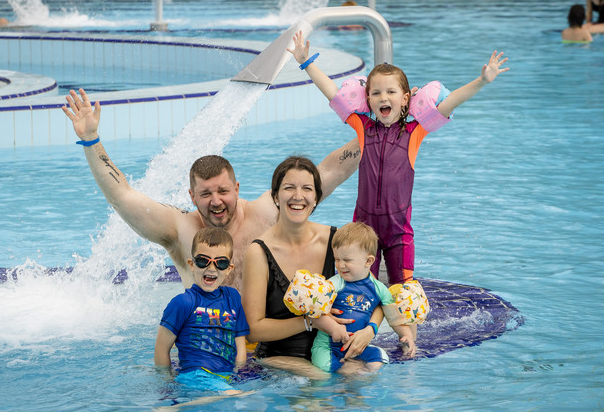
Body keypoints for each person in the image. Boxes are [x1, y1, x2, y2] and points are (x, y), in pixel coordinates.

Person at [61, 89, 361, 290]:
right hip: (208, 348)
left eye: (223, 191)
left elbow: (328, 171)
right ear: (192, 197)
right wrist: (90, 140)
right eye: (205, 194)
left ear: (237, 188)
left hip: (266, 344)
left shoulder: (268, 211)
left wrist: (373, 133)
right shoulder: (181, 228)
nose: (216, 202)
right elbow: (122, 196)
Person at [288, 30, 508, 288]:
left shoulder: (415, 133)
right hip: (363, 230)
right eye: (376, 93)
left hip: (399, 233)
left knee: (404, 292)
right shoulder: (363, 127)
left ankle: (405, 330)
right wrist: (306, 63)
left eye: (391, 92)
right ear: (367, 99)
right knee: (359, 289)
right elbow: (332, 93)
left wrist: (482, 81)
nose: (383, 98)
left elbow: (449, 103)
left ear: (405, 99)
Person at [242, 156, 384, 380]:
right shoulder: (259, 252)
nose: (298, 196)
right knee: (323, 382)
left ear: (316, 197)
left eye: (307, 189)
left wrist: (370, 330)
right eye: (289, 188)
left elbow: (377, 295)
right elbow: (252, 330)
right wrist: (311, 322)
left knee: (364, 377)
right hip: (280, 359)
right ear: (275, 196)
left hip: (335, 354)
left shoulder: (336, 241)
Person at [310, 222, 415, 374]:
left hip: (359, 347)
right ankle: (347, 379)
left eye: (347, 260)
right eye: (337, 259)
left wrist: (406, 334)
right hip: (327, 348)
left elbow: (393, 317)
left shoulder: (378, 289)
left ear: (368, 261)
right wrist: (333, 328)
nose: (340, 265)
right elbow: (314, 313)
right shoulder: (334, 284)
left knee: (381, 357)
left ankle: (355, 384)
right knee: (327, 368)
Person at [154, 227, 249, 395]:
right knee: (239, 396)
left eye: (221, 263)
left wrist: (238, 372)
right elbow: (162, 349)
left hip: (224, 377)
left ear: (229, 268)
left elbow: (240, 344)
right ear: (191, 264)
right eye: (203, 261)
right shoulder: (183, 303)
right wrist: (166, 384)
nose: (211, 268)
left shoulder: (233, 298)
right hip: (194, 375)